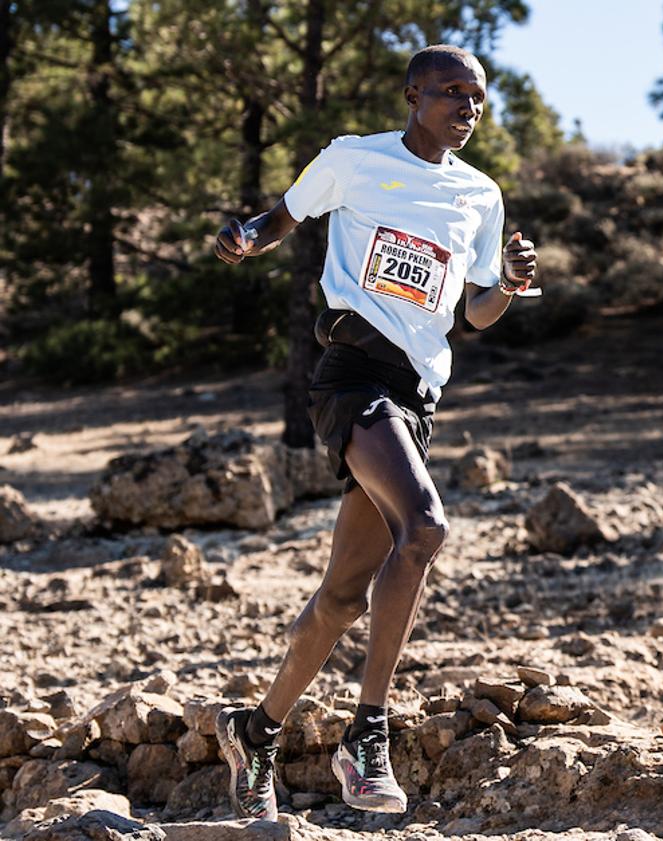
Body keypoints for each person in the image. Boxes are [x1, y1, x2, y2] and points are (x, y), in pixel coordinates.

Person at [213, 43, 537, 822]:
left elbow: (475, 313)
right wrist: (246, 238)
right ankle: (367, 733)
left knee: (341, 597)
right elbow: (281, 217)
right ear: (411, 93)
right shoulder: (353, 161)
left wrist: (513, 285)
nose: (467, 107)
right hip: (353, 374)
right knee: (424, 527)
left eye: (478, 97)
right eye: (451, 92)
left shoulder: (480, 196)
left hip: (416, 396)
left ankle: (253, 730)